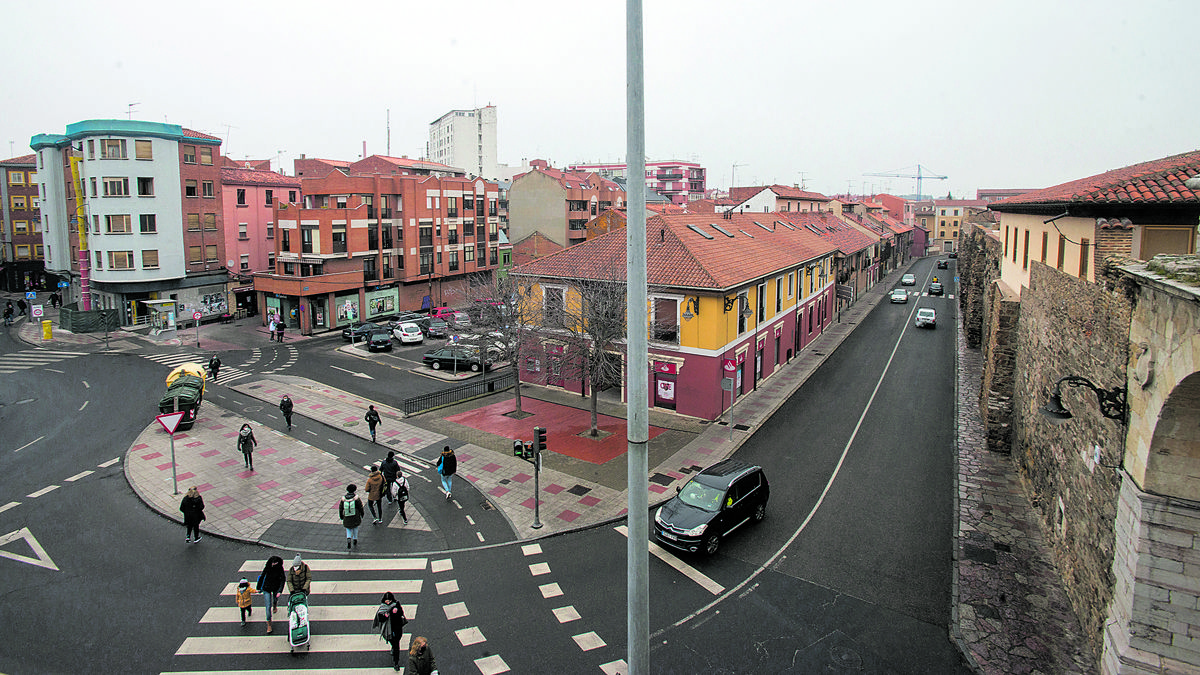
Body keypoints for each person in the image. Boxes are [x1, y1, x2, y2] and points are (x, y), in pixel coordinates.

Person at [373, 594, 408, 671]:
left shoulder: (396, 605)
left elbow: (401, 613)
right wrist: (385, 616)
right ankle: (395, 656)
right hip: (388, 630)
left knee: (396, 646)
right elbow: (380, 619)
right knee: (392, 642)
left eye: (389, 601)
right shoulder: (382, 608)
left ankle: (396, 662)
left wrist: (396, 611)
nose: (388, 603)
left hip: (397, 629)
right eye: (387, 601)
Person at [256, 555, 287, 634]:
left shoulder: (280, 568)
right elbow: (262, 576)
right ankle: (269, 624)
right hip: (266, 588)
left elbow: (283, 579)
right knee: (267, 606)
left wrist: (280, 591)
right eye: (272, 563)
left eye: (275, 563)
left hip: (276, 588)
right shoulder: (268, 567)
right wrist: (259, 587)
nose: (273, 564)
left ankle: (275, 604)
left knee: (275, 599)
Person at [339, 484, 364, 550]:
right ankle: (355, 539)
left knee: (348, 528)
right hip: (355, 515)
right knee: (355, 527)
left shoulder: (343, 499)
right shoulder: (356, 498)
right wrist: (362, 514)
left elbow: (341, 508)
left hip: (347, 515)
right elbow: (360, 507)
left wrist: (341, 516)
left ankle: (348, 538)